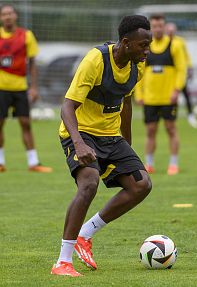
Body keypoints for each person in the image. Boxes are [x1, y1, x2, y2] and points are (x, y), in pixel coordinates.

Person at [51, 15, 152, 277]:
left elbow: (126, 103)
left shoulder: (137, 66)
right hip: (80, 131)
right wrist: (79, 143)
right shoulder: (95, 60)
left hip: (110, 135)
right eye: (143, 45)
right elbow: (67, 107)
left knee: (141, 185)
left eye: (148, 45)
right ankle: (63, 262)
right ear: (126, 42)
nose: (147, 51)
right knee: (89, 183)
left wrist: (126, 143)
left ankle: (86, 234)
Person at [0, 4, 52, 172]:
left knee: (25, 123)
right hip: (1, 88)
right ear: (1, 18)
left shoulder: (26, 35)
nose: (7, 17)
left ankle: (33, 162)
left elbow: (33, 63)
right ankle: (0, 162)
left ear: (15, 16)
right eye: (4, 14)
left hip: (21, 87)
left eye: (10, 13)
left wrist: (34, 87)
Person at [135, 14, 186, 175]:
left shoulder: (174, 45)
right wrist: (139, 94)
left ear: (164, 27)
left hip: (168, 98)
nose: (158, 29)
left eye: (160, 26)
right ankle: (149, 164)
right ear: (151, 29)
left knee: (171, 129)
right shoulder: (145, 47)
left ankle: (173, 164)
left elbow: (181, 70)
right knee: (150, 131)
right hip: (150, 98)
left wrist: (176, 90)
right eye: (155, 26)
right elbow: (139, 71)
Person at [165, 22, 197, 129]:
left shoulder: (180, 41)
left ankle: (190, 115)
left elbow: (186, 55)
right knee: (169, 97)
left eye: (172, 30)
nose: (171, 32)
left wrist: (189, 66)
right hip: (168, 76)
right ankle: (170, 117)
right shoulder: (163, 42)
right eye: (169, 30)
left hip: (180, 74)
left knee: (186, 94)